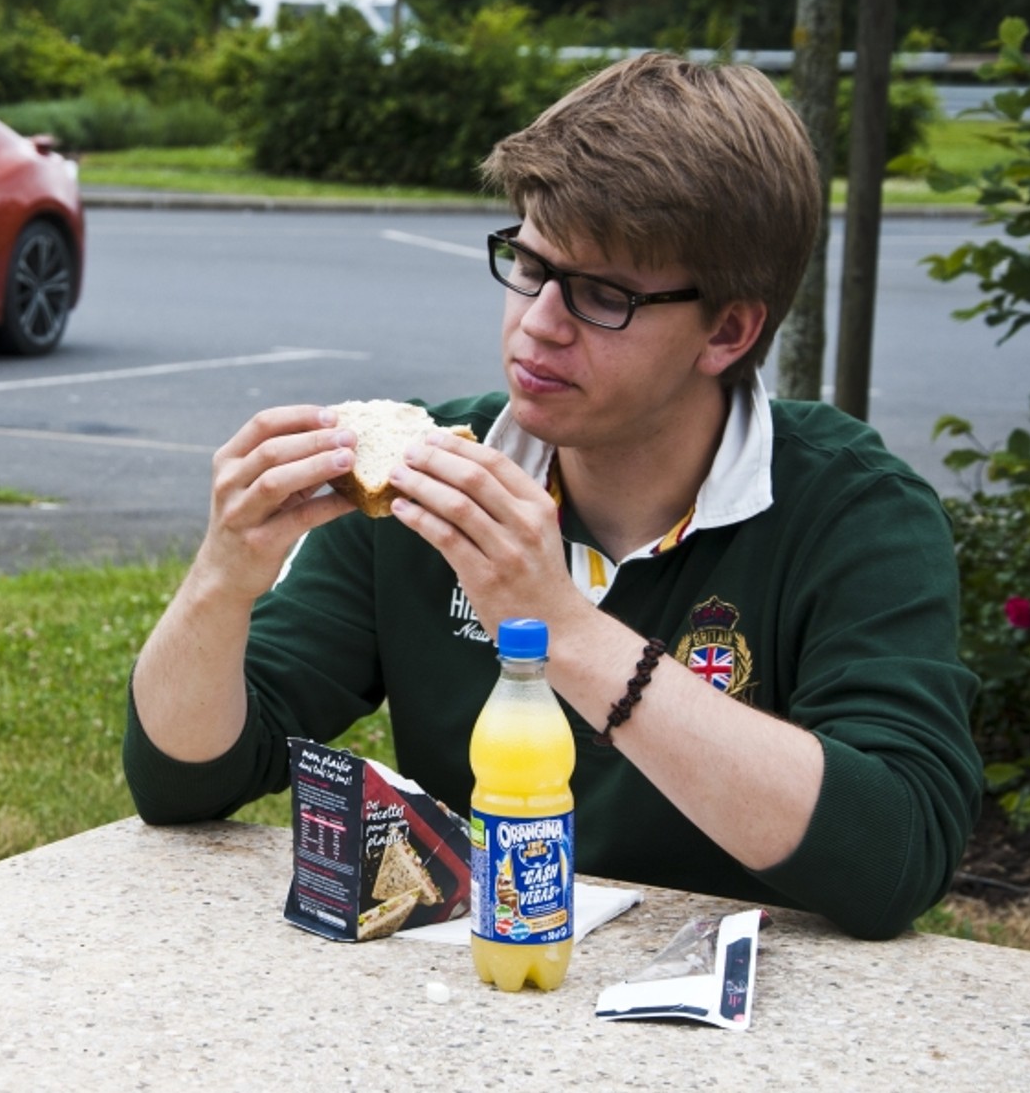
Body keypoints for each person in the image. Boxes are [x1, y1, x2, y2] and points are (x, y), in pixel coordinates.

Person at [122, 52, 983, 941]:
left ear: (727, 329)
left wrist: (560, 629)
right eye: (529, 265)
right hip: (481, 999)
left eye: (602, 295)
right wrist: (222, 580)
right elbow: (187, 780)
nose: (538, 322)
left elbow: (896, 855)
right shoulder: (434, 477)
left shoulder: (852, 512)